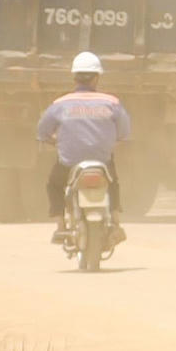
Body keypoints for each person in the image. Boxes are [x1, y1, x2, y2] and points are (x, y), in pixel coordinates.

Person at [36, 52, 131, 246]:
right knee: (113, 184)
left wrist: (53, 141)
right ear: (97, 78)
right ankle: (116, 223)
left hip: (68, 163)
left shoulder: (59, 104)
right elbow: (124, 132)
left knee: (54, 185)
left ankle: (61, 227)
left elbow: (42, 131)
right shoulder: (112, 103)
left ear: (74, 77)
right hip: (102, 161)